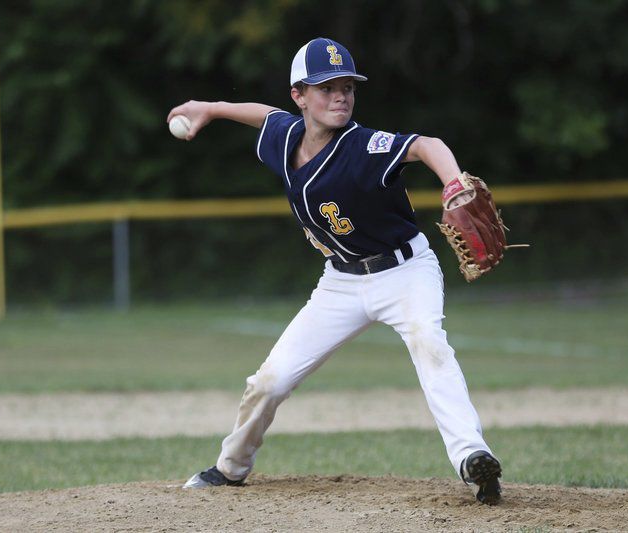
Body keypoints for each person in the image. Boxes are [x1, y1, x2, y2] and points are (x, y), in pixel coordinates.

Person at [167, 37, 502, 505]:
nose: (339, 96)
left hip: (406, 272)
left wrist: (452, 181)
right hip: (341, 282)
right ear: (299, 97)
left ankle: (473, 459)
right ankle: (230, 467)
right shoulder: (285, 138)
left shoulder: (364, 146)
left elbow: (428, 144)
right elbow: (264, 116)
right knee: (269, 381)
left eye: (347, 86)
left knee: (431, 345)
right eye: (325, 88)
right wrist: (211, 106)